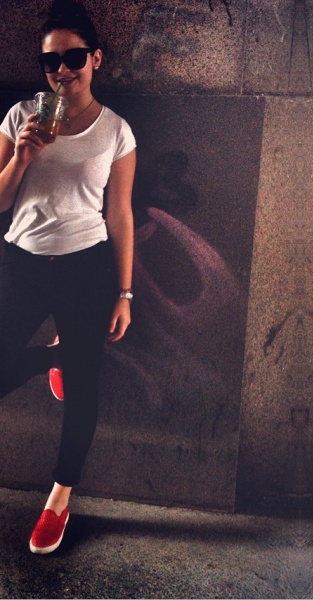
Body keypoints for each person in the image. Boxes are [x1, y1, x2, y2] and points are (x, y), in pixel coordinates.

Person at [0, 0, 136, 554]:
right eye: (51, 61)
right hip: (22, 262)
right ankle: (53, 358)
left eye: (74, 57)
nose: (63, 70)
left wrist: (124, 292)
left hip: (85, 266)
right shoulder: (19, 117)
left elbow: (119, 214)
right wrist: (21, 158)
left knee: (84, 387)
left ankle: (59, 498)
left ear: (95, 58)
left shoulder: (116, 132)